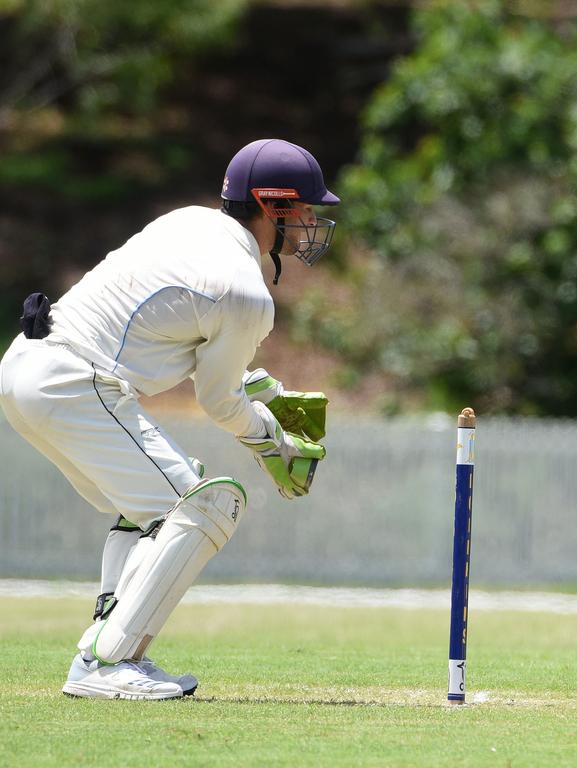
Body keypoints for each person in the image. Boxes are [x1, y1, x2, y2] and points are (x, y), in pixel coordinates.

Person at [0, 139, 336, 699]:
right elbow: (219, 401)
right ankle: (107, 662)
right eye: (302, 209)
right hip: (73, 383)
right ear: (271, 205)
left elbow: (165, 335)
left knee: (154, 504)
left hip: (25, 367)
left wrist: (262, 390)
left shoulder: (188, 224)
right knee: (206, 501)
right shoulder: (246, 292)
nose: (309, 222)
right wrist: (274, 442)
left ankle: (107, 647)